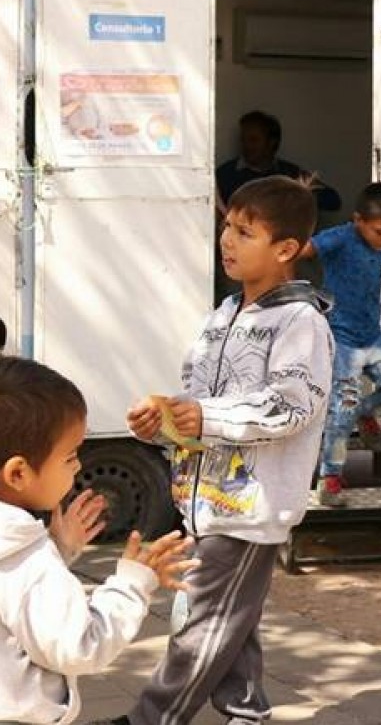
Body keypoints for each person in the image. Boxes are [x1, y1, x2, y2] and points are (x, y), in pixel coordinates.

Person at [115, 175, 335, 725]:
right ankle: (245, 713)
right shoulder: (221, 315)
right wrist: (164, 423)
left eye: (245, 231)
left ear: (285, 249)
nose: (227, 240)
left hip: (248, 509)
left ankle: (152, 719)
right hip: (205, 500)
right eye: (226, 226)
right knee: (229, 621)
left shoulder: (300, 322)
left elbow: (291, 406)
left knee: (202, 622)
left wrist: (205, 415)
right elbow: (199, 403)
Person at [0, 355, 195, 725]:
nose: (78, 467)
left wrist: (58, 549)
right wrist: (132, 585)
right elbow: (80, 646)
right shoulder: (31, 565)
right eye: (69, 457)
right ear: (18, 472)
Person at [306, 182, 381, 507]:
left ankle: (366, 413)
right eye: (380, 231)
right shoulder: (340, 238)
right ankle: (331, 480)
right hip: (343, 338)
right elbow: (301, 250)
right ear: (358, 221)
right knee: (342, 409)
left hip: (371, 334)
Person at [214, 110, 341, 216]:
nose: (246, 145)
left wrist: (293, 196)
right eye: (243, 139)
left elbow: (333, 201)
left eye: (253, 140)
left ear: (272, 142)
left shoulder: (290, 173)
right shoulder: (224, 174)